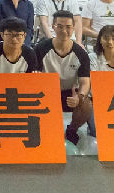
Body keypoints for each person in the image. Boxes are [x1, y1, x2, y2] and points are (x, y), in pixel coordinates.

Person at [35, 10, 92, 145]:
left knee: (86, 104)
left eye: (68, 27)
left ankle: (72, 129)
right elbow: (33, 75)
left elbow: (85, 82)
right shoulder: (40, 48)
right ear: (53, 27)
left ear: (73, 28)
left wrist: (79, 96)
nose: (64, 31)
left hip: (69, 93)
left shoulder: (81, 53)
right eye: (60, 26)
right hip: (46, 92)